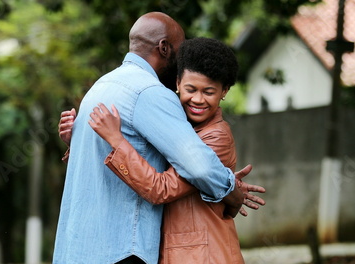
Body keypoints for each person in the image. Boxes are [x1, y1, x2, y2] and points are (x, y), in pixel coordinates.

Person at [53, 12, 251, 264]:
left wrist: (79, 143)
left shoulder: (100, 87)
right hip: (124, 249)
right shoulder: (150, 93)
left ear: (223, 92)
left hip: (86, 249)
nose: (197, 98)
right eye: (180, 53)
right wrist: (232, 190)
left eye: (208, 91)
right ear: (165, 48)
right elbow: (198, 168)